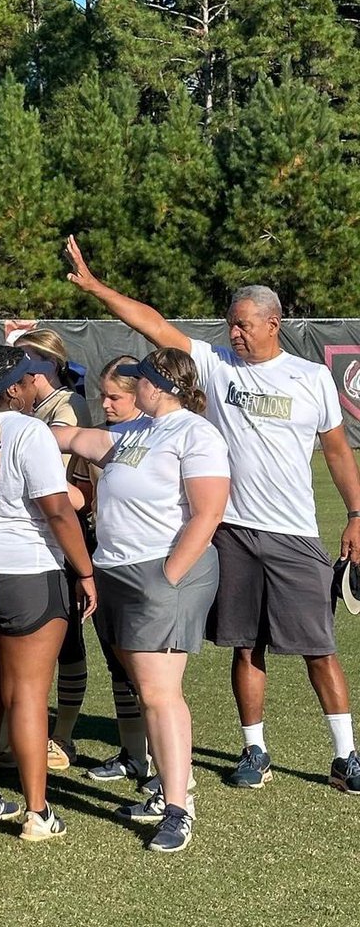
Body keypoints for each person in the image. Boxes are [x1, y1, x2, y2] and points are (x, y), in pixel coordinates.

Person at [66, 235, 360, 794]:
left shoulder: (312, 377)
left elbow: (339, 451)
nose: (234, 333)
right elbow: (153, 325)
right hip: (231, 530)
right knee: (246, 646)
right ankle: (255, 750)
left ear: (274, 323)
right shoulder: (217, 364)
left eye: (244, 324)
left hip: (295, 531)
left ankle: (345, 755)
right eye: (230, 324)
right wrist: (97, 287)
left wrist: (356, 513)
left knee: (319, 647)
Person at [52, 348, 230, 851]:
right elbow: (73, 438)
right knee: (144, 687)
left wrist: (167, 577)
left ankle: (178, 808)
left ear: (157, 385)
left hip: (161, 574)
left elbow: (208, 513)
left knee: (159, 692)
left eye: (138, 381)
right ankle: (167, 788)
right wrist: (9, 425)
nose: (129, 391)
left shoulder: (195, 433)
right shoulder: (137, 431)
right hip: (118, 572)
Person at [0, 346, 97, 843]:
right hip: (29, 571)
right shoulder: (29, 431)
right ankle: (38, 811)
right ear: (14, 389)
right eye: (26, 378)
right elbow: (57, 509)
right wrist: (85, 570)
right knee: (28, 696)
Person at [17, 327, 92, 770]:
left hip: (61, 527)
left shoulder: (66, 407)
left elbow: (52, 478)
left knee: (67, 638)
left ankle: (62, 734)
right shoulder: (40, 405)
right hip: (36, 528)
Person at [85, 357, 151, 783]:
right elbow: (86, 496)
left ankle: (162, 763)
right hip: (105, 557)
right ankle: (133, 753)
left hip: (145, 565)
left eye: (115, 397)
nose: (106, 404)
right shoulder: (101, 436)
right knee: (117, 662)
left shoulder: (159, 435)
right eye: (102, 396)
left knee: (149, 672)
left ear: (140, 395)